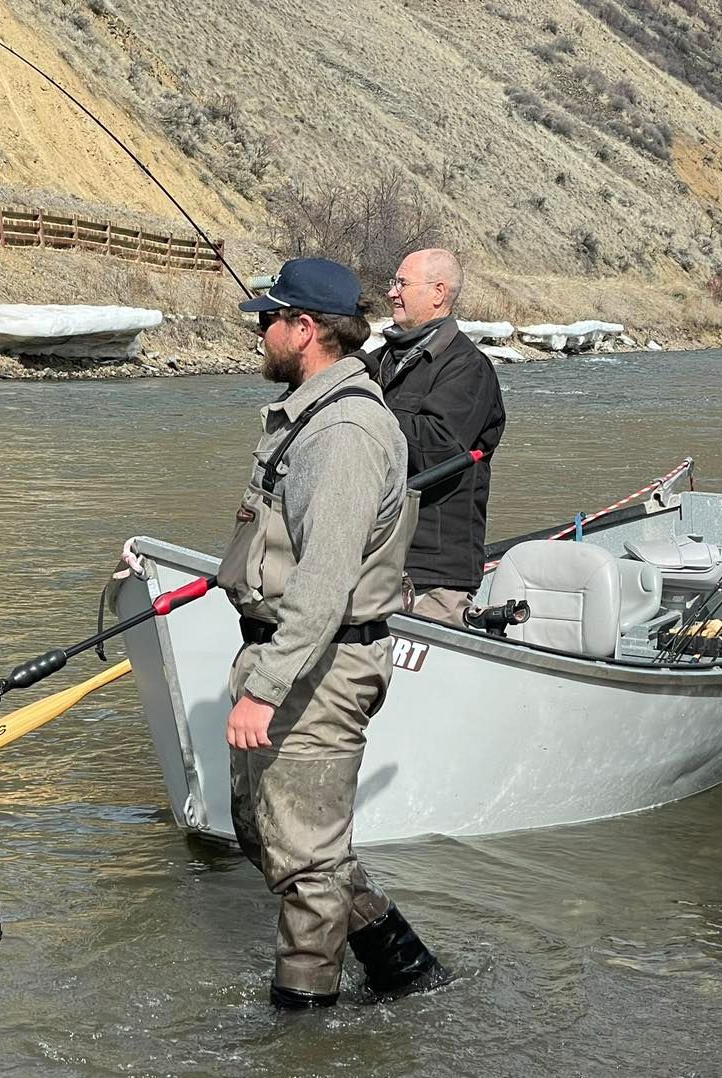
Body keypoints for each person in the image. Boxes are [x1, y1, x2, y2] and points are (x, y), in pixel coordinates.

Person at [218, 257, 449, 1009]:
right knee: (268, 837)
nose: (260, 332)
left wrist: (266, 686)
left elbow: (322, 583)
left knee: (309, 875)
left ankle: (302, 1030)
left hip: (321, 667)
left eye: (269, 320)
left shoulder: (345, 431)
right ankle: (406, 971)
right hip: (291, 655)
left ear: (305, 329)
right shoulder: (315, 413)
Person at [361, 248, 506, 627]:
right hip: (374, 556)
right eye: (394, 283)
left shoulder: (468, 368)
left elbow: (437, 448)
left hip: (432, 575)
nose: (392, 292)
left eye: (402, 283)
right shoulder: (381, 360)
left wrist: (361, 415)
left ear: (438, 293)